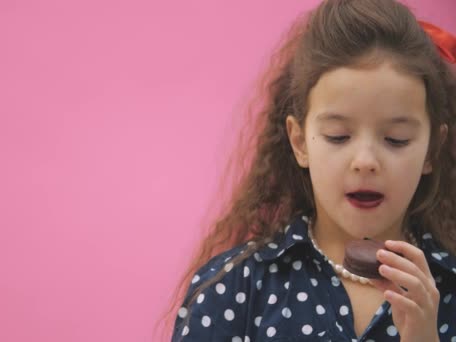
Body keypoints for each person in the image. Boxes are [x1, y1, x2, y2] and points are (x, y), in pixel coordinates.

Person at [165, 0, 456, 340]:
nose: (365, 161)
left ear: (431, 151)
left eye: (396, 139)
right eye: (338, 136)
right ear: (300, 142)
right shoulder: (233, 287)